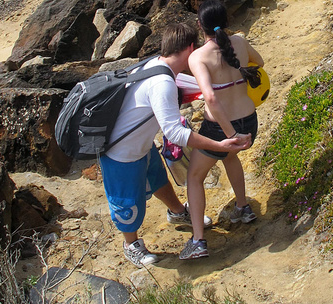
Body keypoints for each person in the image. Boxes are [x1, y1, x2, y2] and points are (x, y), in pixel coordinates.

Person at [100, 22, 251, 268]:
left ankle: (178, 212)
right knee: (127, 203)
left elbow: (183, 84)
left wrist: (210, 90)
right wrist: (219, 144)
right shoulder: (162, 83)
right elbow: (174, 132)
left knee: (158, 179)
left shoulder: (158, 66)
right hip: (121, 154)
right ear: (190, 48)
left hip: (141, 144)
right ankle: (131, 245)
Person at [180, 0, 265, 261]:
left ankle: (198, 241)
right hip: (250, 119)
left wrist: (229, 135)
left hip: (221, 128)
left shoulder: (198, 57)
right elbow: (259, 63)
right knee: (231, 157)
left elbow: (211, 99)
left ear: (199, 26)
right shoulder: (239, 41)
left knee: (194, 177)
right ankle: (243, 207)